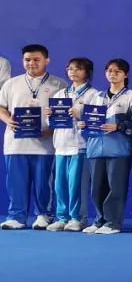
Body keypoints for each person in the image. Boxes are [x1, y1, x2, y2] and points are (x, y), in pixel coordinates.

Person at [0, 44, 67, 230]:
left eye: (36, 59)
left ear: (47, 60)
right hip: (15, 143)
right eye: (27, 60)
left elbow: (64, 114)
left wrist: (51, 130)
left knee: (43, 183)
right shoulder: (11, 83)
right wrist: (8, 120)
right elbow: (1, 107)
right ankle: (16, 217)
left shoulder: (59, 84)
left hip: (45, 143)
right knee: (16, 182)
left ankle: (44, 215)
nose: (31, 63)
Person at [82, 59, 132, 234]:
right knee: (97, 188)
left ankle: (113, 222)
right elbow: (88, 119)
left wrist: (119, 126)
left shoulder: (131, 96)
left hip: (119, 149)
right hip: (95, 148)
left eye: (117, 71)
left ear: (125, 75)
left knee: (116, 188)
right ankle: (99, 220)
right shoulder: (97, 96)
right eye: (109, 71)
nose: (112, 74)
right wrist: (83, 124)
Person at [46, 57, 99, 232]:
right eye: (70, 69)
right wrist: (49, 115)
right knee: (60, 184)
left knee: (76, 184)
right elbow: (51, 123)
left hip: (80, 145)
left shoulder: (95, 95)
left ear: (87, 72)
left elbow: (97, 122)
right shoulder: (60, 94)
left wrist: (80, 116)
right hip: (61, 145)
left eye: (78, 69)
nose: (73, 72)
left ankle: (78, 218)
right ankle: (62, 217)